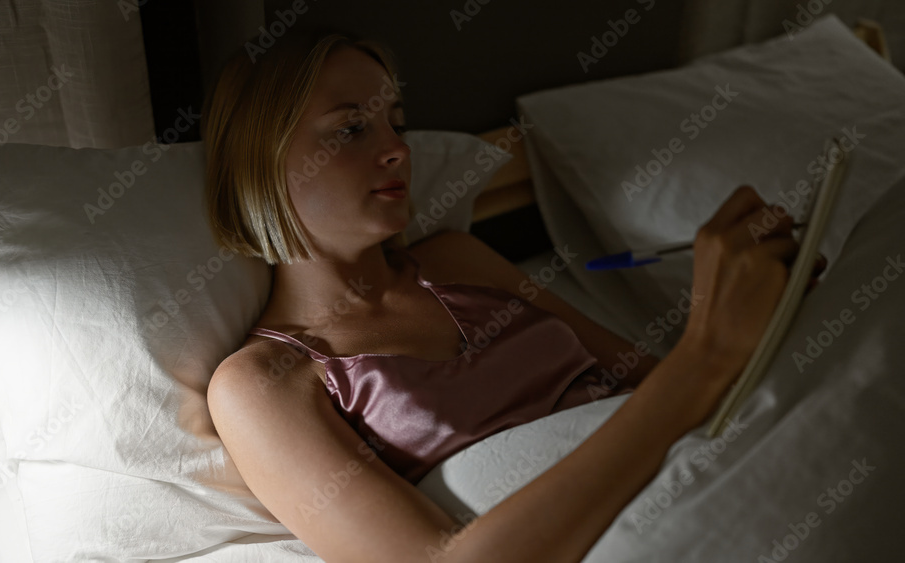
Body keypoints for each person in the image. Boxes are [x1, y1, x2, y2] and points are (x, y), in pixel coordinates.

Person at [202, 27, 826, 562]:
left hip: (715, 476)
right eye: (351, 129)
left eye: (396, 123)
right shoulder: (263, 382)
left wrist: (769, 307)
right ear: (263, 159)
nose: (396, 149)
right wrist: (706, 354)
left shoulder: (455, 262)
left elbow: (652, 381)